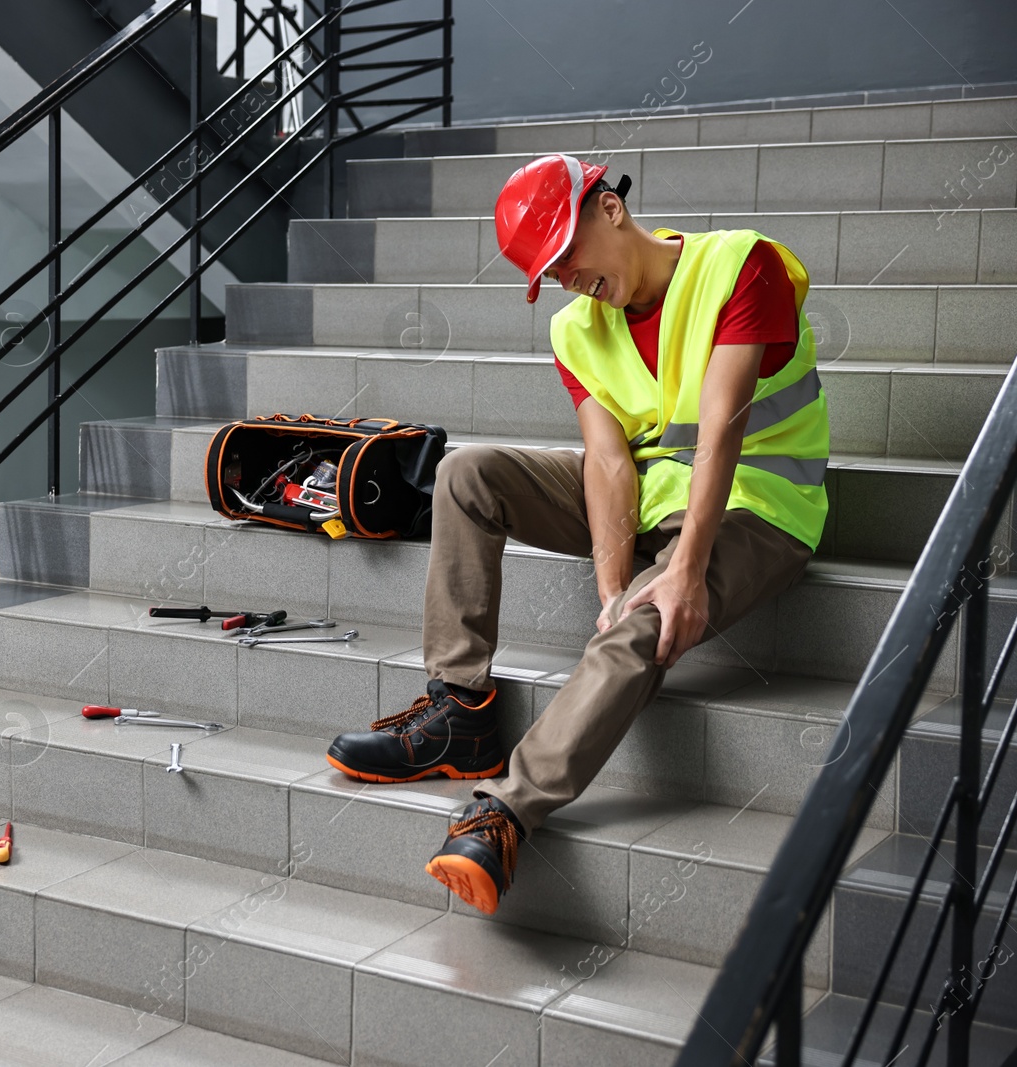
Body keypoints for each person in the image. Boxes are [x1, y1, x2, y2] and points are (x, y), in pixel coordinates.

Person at [324, 153, 830, 915]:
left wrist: (682, 570)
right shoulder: (578, 328)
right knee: (467, 473)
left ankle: (506, 811)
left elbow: (721, 429)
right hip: (652, 491)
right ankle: (461, 709)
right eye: (548, 273)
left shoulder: (739, 266)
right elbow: (605, 458)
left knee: (640, 631)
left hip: (758, 506)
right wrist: (610, 585)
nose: (564, 281)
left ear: (611, 211)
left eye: (565, 256)